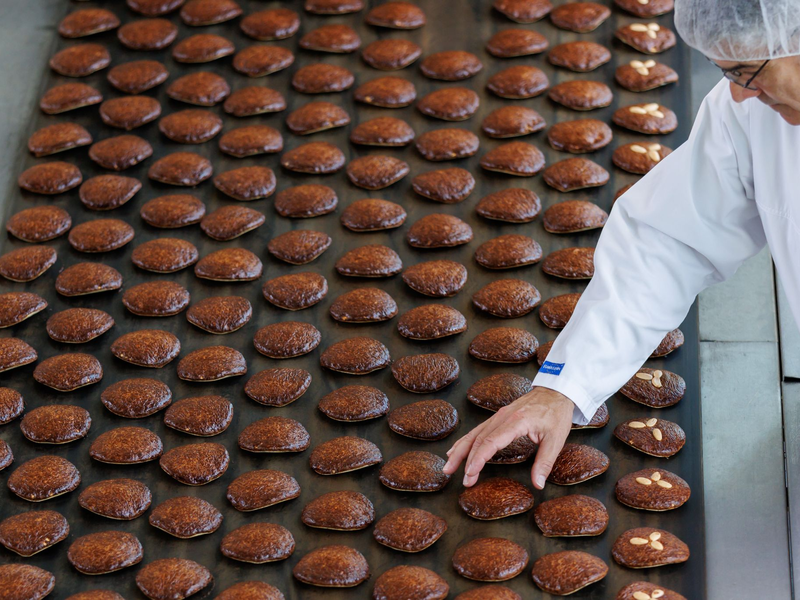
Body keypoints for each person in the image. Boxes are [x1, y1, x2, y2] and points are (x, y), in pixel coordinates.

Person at [443, 0, 800, 489]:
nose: (738, 95)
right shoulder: (752, 114)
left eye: (746, 70)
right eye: (725, 73)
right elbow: (668, 245)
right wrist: (563, 388)